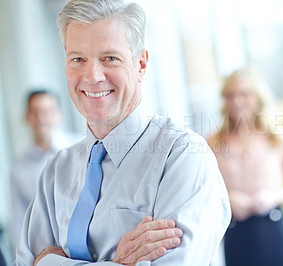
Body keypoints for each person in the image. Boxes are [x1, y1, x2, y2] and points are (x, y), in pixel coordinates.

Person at [14, 0, 231, 265]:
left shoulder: (183, 157)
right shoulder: (57, 171)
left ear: (140, 64)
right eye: (78, 59)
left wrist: (48, 262)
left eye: (110, 58)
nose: (92, 76)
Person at [207, 68, 283, 266]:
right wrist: (228, 199)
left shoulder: (278, 139)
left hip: (273, 228)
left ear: (257, 97)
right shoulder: (212, 142)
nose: (237, 101)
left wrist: (272, 196)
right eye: (231, 95)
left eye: (244, 94)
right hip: (235, 230)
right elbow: (204, 192)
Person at [9, 90, 83, 256]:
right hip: (45, 255)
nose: (41, 118)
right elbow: (18, 223)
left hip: (86, 248)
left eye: (47, 111)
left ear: (59, 115)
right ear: (27, 117)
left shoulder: (81, 149)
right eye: (35, 112)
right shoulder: (19, 168)